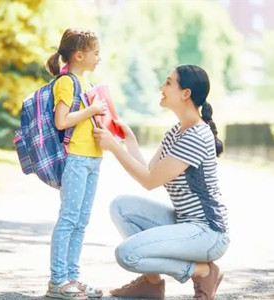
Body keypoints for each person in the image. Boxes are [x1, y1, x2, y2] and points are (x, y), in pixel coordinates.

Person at [93, 64, 230, 300]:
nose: (161, 87)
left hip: (208, 233)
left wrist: (114, 148)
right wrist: (129, 140)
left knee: (127, 254)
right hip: (185, 223)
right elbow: (148, 170)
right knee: (121, 207)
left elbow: (150, 181)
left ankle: (202, 271)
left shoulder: (196, 135)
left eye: (168, 83)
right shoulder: (177, 131)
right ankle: (152, 284)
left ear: (186, 93)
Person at [45, 28, 107, 299]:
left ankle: (72, 277)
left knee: (81, 221)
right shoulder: (67, 82)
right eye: (96, 52)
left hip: (94, 157)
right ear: (79, 55)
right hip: (77, 159)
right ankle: (57, 281)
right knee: (69, 218)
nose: (99, 58)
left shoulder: (89, 85)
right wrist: (92, 110)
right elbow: (62, 121)